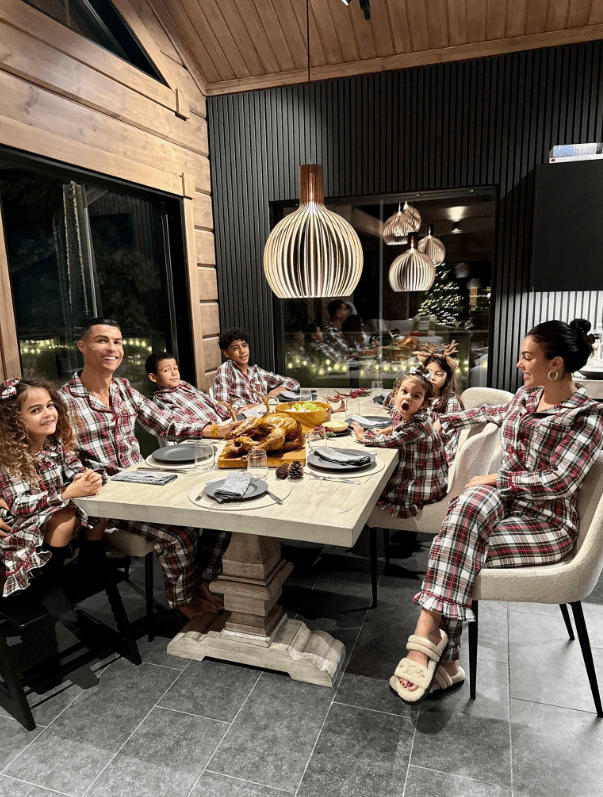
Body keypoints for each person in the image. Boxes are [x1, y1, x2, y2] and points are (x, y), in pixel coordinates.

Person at [391, 318, 603, 705]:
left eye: (527, 357)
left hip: (546, 522)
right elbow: (488, 413)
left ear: (554, 363)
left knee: (458, 547)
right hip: (505, 503)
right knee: (465, 511)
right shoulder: (526, 397)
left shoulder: (585, 417)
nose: (520, 364)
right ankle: (440, 650)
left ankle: (435, 646)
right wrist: (442, 420)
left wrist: (496, 480)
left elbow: (560, 482)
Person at [61, 318, 237, 618]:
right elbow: (64, 456)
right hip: (108, 495)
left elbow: (164, 422)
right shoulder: (64, 401)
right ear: (82, 346)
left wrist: (213, 430)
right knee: (178, 535)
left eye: (117, 342)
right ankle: (183, 598)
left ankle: (196, 582)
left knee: (217, 508)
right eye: (102, 340)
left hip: (144, 480)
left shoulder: (123, 390)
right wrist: (82, 478)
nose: (112, 348)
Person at [0, 377, 106, 624]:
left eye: (50, 405)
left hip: (46, 512)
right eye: (35, 410)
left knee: (97, 501)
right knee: (64, 516)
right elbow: (19, 504)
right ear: (14, 422)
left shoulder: (54, 445)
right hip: (21, 524)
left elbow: (74, 468)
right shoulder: (9, 456)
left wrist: (86, 478)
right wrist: (67, 493)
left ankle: (91, 562)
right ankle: (48, 586)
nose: (48, 414)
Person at [352, 367, 448, 518]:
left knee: (370, 490)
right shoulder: (406, 414)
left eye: (416, 396)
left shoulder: (418, 424)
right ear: (396, 392)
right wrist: (386, 429)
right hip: (415, 470)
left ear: (423, 404)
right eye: (404, 392)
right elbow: (397, 426)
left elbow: (392, 440)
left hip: (423, 483)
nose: (408, 398)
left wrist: (363, 436)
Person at [215, 327, 300, 412]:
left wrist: (276, 391)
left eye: (244, 346)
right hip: (243, 419)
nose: (242, 351)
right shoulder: (226, 369)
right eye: (235, 348)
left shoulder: (257, 372)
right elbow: (222, 406)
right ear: (226, 353)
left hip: (265, 415)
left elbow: (293, 382)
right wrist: (252, 407)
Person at [146, 351, 234, 429]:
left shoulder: (184, 385)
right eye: (166, 370)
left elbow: (207, 399)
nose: (174, 373)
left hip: (224, 423)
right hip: (206, 433)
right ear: (153, 377)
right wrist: (211, 427)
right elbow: (183, 420)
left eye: (175, 368)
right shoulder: (161, 398)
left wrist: (230, 412)